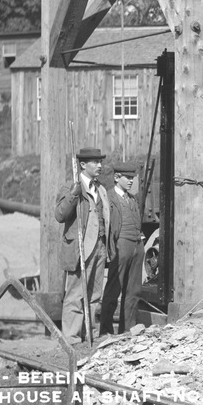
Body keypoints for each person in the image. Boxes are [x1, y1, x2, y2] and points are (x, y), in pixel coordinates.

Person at [55, 147, 112, 343]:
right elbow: (60, 215)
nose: (100, 165)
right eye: (95, 162)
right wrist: (73, 195)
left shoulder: (100, 189)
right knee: (75, 294)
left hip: (100, 247)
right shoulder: (71, 187)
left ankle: (90, 335)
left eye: (100, 162)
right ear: (82, 165)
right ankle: (71, 338)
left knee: (95, 294)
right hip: (80, 249)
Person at [100, 162, 145, 335]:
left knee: (134, 291)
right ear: (116, 177)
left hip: (136, 245)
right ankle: (105, 331)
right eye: (128, 178)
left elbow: (136, 220)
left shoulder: (132, 199)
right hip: (120, 246)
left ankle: (128, 330)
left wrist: (140, 238)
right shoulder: (108, 198)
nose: (131, 181)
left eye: (132, 178)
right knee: (113, 289)